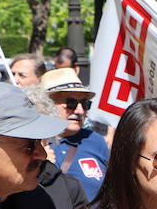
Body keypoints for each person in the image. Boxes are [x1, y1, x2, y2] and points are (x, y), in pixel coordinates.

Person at [42, 68, 108, 201]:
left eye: (85, 104)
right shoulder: (31, 143)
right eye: (70, 103)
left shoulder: (95, 141)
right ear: (46, 105)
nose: (79, 110)